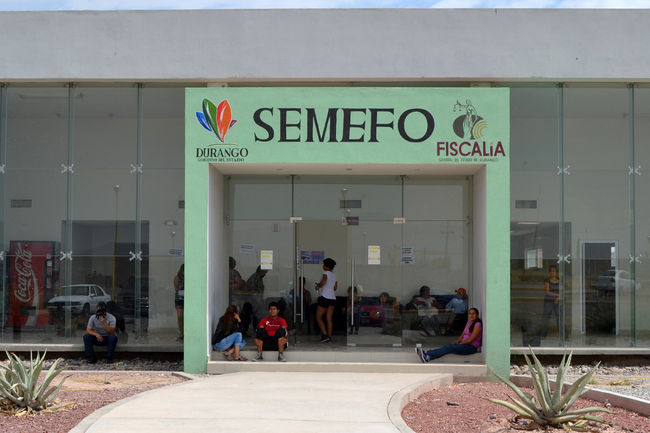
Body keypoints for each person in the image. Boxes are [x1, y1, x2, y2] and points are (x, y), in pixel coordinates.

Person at [416, 307, 482, 362]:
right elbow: (463, 334)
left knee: (449, 348)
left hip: (470, 347)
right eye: (470, 314)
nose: (471, 315)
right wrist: (457, 341)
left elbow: (471, 340)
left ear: (477, 315)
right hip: (464, 345)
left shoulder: (477, 324)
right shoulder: (469, 322)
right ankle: (428, 358)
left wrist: (460, 343)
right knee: (447, 347)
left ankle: (427, 353)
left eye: (473, 314)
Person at [315, 257, 337, 343]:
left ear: (327, 266)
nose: (323, 266)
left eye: (324, 264)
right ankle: (329, 337)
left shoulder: (325, 273)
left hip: (325, 297)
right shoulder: (334, 275)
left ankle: (324, 335)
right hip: (332, 298)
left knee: (318, 317)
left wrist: (318, 286)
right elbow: (335, 288)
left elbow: (324, 282)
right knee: (329, 318)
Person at [541, 264, 560, 338]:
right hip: (548, 301)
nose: (552, 272)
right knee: (546, 317)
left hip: (557, 301)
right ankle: (543, 334)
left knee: (560, 317)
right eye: (551, 271)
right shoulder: (547, 280)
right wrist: (557, 295)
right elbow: (547, 292)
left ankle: (563, 336)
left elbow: (562, 291)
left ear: (557, 272)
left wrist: (558, 298)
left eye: (554, 271)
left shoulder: (560, 280)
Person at [173, 264, 184, 340]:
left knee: (187, 317)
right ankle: (181, 333)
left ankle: (186, 332)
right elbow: (177, 289)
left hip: (188, 299)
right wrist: (183, 285)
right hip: (179, 299)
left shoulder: (190, 277)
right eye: (183, 270)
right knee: (180, 317)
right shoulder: (177, 278)